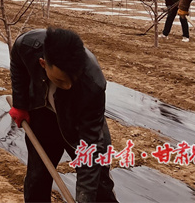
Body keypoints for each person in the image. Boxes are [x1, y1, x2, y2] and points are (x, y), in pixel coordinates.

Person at [9, 27, 118, 203]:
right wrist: (20, 104)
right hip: (43, 115)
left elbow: (90, 148)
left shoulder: (93, 84)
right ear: (43, 63)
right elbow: (17, 63)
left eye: (71, 80)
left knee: (98, 185)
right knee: (37, 179)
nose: (67, 86)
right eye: (60, 81)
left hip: (79, 122)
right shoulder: (27, 45)